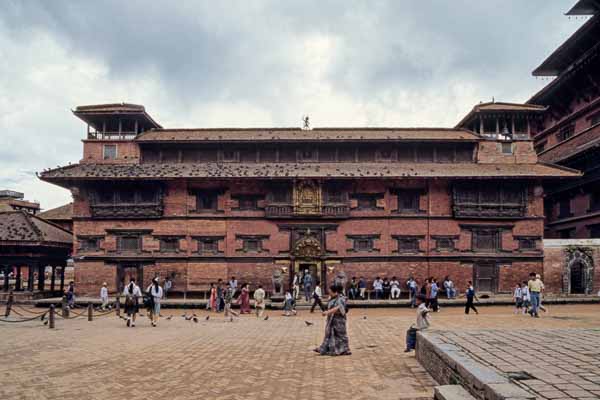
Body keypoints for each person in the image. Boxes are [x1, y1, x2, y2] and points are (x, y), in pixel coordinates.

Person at [315, 284, 351, 356]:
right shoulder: (332, 298)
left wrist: (328, 312)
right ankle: (324, 348)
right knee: (329, 334)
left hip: (339, 321)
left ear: (335, 291)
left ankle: (345, 349)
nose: (329, 292)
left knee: (341, 336)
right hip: (332, 320)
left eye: (330, 291)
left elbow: (338, 308)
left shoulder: (340, 299)